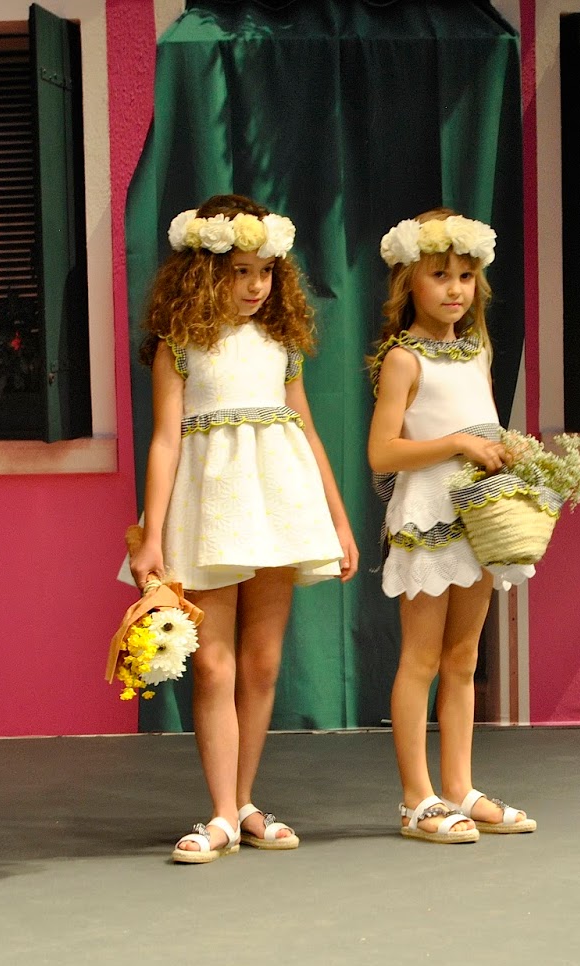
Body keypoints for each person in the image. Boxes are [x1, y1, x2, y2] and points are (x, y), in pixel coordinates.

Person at [127, 194, 358, 863]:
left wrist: (338, 520)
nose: (256, 285)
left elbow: (306, 431)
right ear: (205, 272)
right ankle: (222, 813)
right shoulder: (180, 345)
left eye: (266, 271)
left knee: (261, 663)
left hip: (278, 506)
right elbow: (165, 440)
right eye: (240, 272)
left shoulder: (281, 344)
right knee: (213, 664)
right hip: (211, 513)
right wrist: (151, 533)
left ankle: (244, 801)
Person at [367, 208, 538, 843]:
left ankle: (460, 787)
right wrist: (459, 443)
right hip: (428, 518)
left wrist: (508, 455)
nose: (455, 289)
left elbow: (482, 428)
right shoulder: (404, 359)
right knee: (422, 657)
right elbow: (383, 453)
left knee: (464, 657)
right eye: (439, 275)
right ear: (409, 281)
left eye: (465, 276)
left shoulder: (477, 351)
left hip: (476, 519)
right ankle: (417, 798)